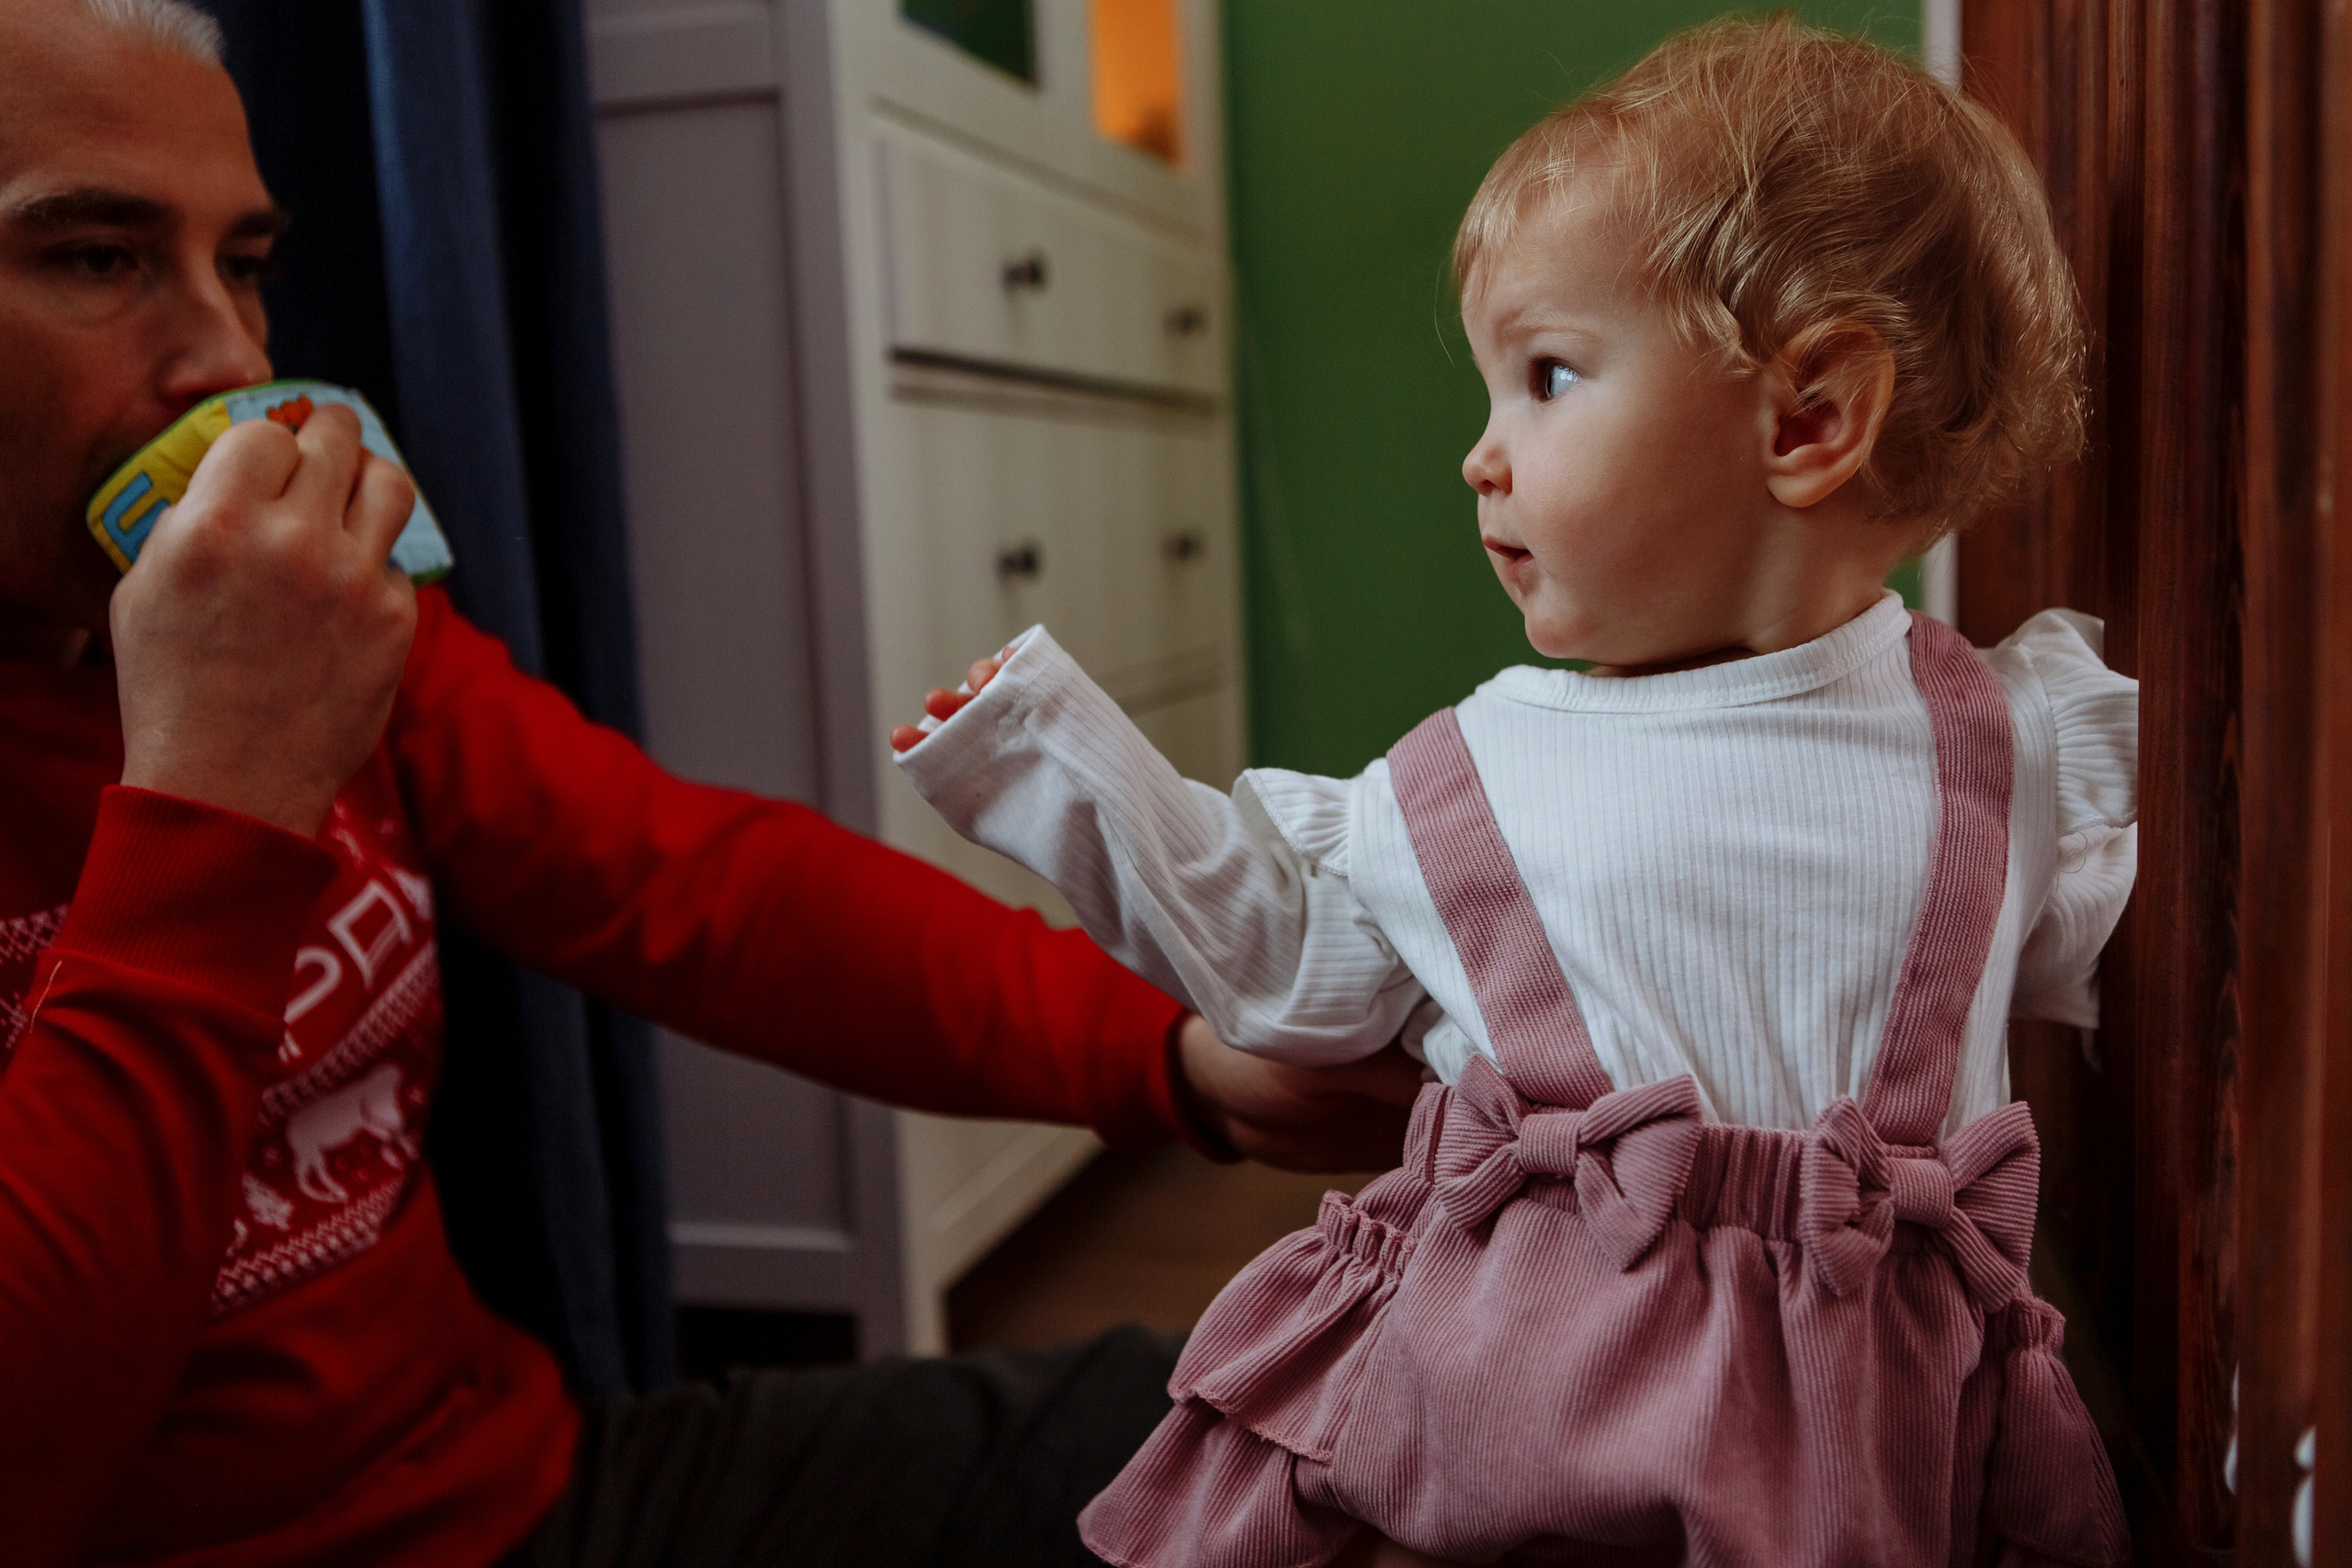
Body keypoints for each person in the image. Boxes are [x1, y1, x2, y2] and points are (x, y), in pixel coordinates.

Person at [0, 2, 1422, 1564]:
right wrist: (220, 798)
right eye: (95, 256)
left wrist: (1171, 1060)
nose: (229, 357)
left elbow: (673, 880)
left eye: (246, 263)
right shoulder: (260, 680)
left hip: (527, 1499)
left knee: (1390, 1418)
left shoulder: (324, 627)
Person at [893, 17, 2137, 1567]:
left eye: (1548, 376)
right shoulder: (1474, 778)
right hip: (1520, 1429)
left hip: (1878, 1448)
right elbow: (1282, 970)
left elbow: (2063, 988)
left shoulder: (2001, 741)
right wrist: (1057, 765)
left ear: (1807, 418)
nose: (1481, 458)